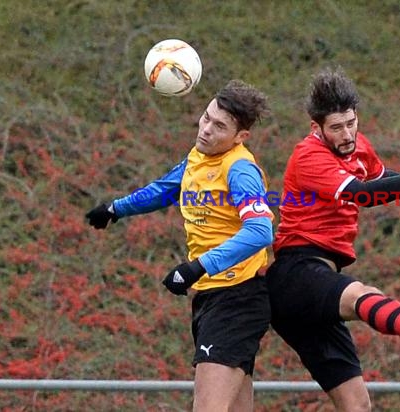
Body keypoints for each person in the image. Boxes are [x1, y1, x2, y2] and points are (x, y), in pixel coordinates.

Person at [266, 68, 400, 412]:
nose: (347, 133)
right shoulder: (308, 156)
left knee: (357, 405)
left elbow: (384, 183)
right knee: (360, 294)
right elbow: (361, 195)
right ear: (316, 127)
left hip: (316, 287)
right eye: (336, 127)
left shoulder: (358, 146)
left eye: (351, 123)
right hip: (296, 273)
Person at [85, 80, 273, 412]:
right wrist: (115, 209)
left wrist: (197, 267)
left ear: (240, 136)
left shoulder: (240, 169)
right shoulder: (199, 158)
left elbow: (260, 231)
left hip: (237, 298)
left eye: (219, 126)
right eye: (206, 118)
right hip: (212, 297)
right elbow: (165, 188)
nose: (206, 129)